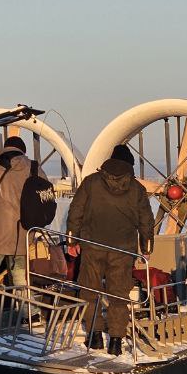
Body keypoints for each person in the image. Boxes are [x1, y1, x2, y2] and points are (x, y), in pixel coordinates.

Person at [66, 143, 155, 356]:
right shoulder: (137, 189)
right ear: (129, 165)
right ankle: (115, 340)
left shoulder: (91, 182)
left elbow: (76, 211)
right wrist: (146, 248)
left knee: (89, 291)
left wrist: (71, 241)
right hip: (123, 251)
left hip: (92, 247)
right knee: (119, 295)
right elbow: (146, 221)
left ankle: (95, 336)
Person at [0, 136, 38, 290]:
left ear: (5, 147)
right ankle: (24, 304)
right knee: (20, 274)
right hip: (24, 230)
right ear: (23, 151)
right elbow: (43, 198)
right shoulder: (34, 168)